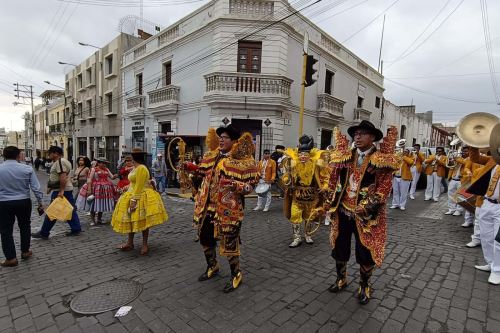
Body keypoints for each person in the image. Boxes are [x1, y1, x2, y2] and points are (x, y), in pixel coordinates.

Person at [324, 121, 399, 304]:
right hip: (342, 210)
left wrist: (367, 205)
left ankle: (364, 285)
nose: (357, 137)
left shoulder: (382, 160)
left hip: (366, 216)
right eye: (355, 134)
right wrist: (327, 199)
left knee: (365, 251)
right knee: (339, 247)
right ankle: (341, 278)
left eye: (362, 133)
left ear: (372, 137)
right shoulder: (345, 156)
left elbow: (384, 189)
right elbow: (333, 179)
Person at [188, 125, 257, 293]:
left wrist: (235, 185)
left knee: (229, 243)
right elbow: (204, 177)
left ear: (234, 141)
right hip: (207, 207)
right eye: (220, 136)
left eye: (225, 137)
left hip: (228, 210)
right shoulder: (211, 156)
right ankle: (212, 266)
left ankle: (236, 274)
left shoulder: (244, 161)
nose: (221, 139)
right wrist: (194, 171)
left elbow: (250, 187)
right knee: (205, 238)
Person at [111, 148, 168, 255]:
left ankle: (145, 244)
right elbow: (134, 183)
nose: (130, 159)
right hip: (131, 194)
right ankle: (130, 243)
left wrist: (134, 200)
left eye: (131, 157)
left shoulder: (141, 168)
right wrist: (126, 187)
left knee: (143, 221)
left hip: (140, 196)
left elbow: (140, 186)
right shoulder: (135, 168)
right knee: (130, 219)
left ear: (134, 157)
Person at [467, 126, 500, 285]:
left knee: (498, 240)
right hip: (486, 203)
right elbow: (474, 158)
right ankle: (490, 263)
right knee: (486, 237)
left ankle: (497, 270)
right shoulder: (493, 159)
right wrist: (473, 141)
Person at [0, 146, 44, 267]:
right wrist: (40, 201)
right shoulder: (27, 168)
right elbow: (35, 187)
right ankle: (25, 251)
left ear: (4, 155)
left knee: (5, 230)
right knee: (25, 226)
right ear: (18, 155)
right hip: (23, 201)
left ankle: (11, 258)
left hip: (4, 202)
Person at [282, 135, 326, 247]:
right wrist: (287, 181)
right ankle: (297, 237)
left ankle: (308, 235)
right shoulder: (293, 165)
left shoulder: (315, 166)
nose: (302, 157)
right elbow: (285, 177)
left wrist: (324, 186)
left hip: (311, 197)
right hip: (297, 196)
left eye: (305, 154)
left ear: (309, 155)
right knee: (295, 215)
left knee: (309, 216)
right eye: (300, 154)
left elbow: (325, 177)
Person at [32, 146, 82, 239]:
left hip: (62, 191)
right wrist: (51, 188)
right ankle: (76, 228)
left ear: (55, 153)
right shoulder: (62, 161)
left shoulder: (60, 162)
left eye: (49, 153)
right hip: (64, 189)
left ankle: (44, 232)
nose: (48, 155)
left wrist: (61, 191)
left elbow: (63, 177)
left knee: (53, 212)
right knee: (69, 210)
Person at [76, 158, 116, 225]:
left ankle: (99, 219)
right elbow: (89, 179)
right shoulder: (93, 169)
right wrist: (89, 189)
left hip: (105, 189)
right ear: (98, 163)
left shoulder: (107, 169)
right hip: (96, 188)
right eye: (102, 163)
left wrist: (116, 175)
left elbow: (112, 177)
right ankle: (93, 220)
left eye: (105, 163)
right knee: (93, 204)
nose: (103, 164)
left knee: (101, 203)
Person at [445, 147, 471, 216]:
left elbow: (464, 163)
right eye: (463, 151)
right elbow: (450, 166)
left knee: (460, 196)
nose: (463, 152)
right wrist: (451, 159)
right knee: (450, 195)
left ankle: (459, 210)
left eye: (465, 151)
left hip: (462, 181)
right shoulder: (459, 158)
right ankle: (451, 209)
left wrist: (456, 158)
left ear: (469, 152)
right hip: (453, 179)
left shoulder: (470, 159)